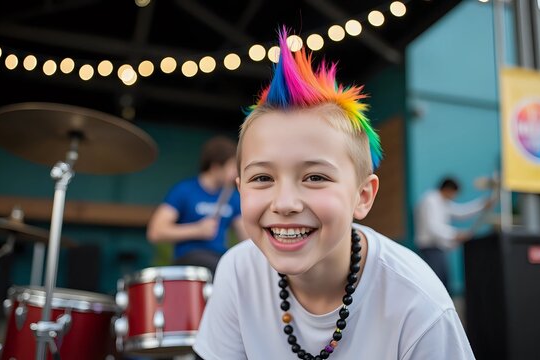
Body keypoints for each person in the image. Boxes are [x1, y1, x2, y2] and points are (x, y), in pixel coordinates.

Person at [193, 28, 475, 360]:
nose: (284, 203)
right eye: (262, 178)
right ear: (240, 190)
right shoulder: (238, 272)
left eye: (314, 177)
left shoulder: (418, 304)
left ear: (363, 196)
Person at [147, 135, 248, 274]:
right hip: (189, 260)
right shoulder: (185, 191)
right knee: (223, 267)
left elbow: (246, 236)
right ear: (215, 167)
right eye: (232, 167)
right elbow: (156, 232)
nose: (236, 173)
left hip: (219, 258)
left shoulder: (232, 197)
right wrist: (197, 230)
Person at [414, 177, 492, 292]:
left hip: (439, 248)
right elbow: (433, 227)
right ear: (448, 190)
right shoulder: (430, 200)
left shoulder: (442, 202)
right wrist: (456, 234)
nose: (453, 197)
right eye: (454, 194)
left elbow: (461, 212)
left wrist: (481, 205)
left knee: (443, 281)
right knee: (437, 283)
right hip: (430, 248)